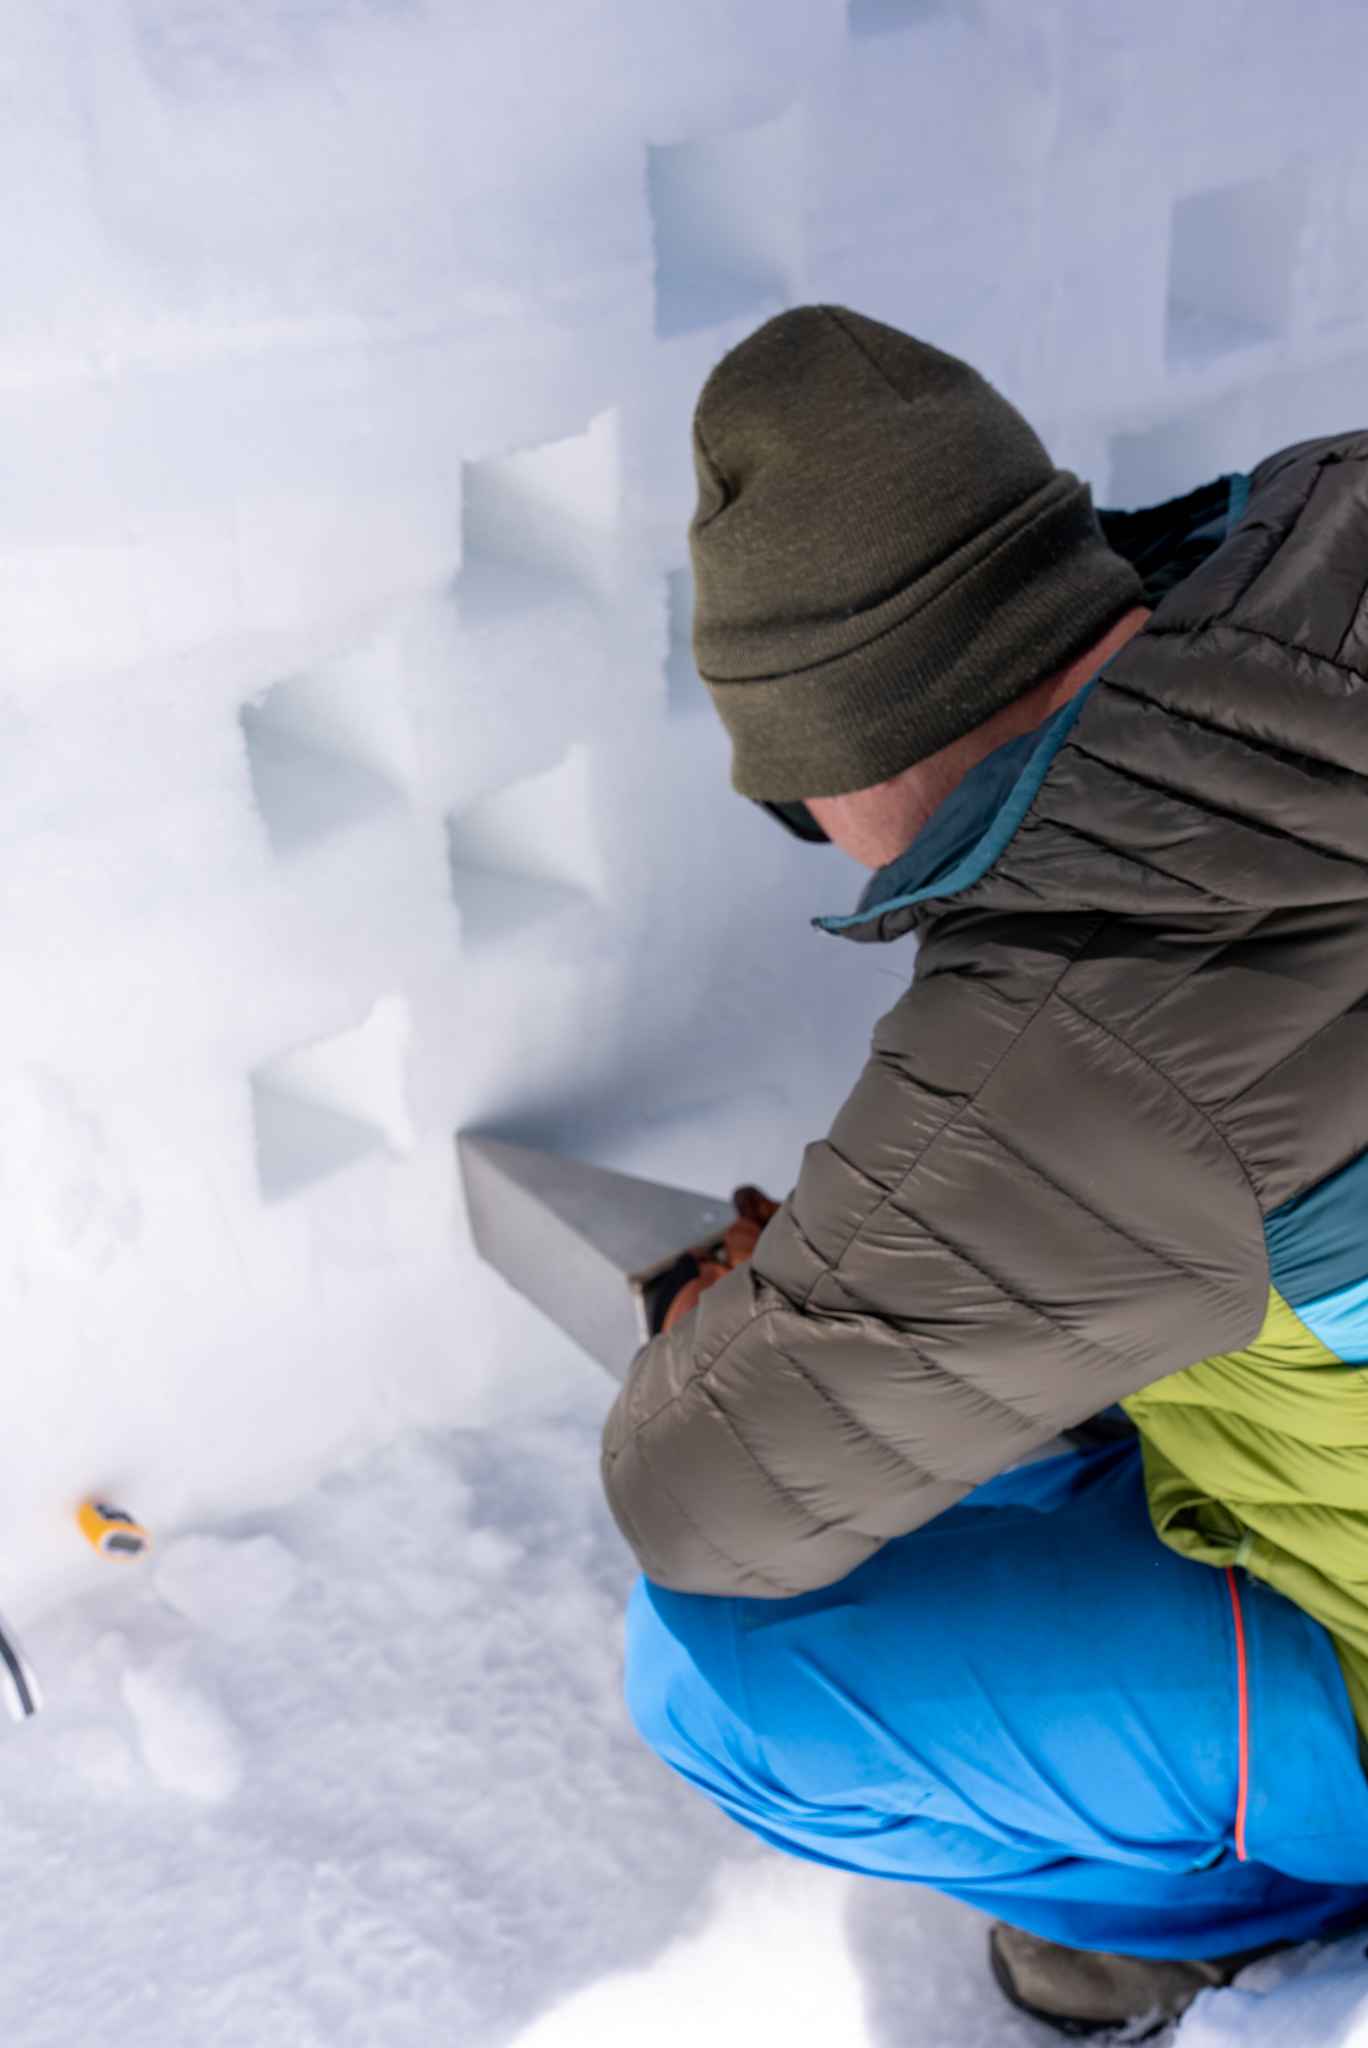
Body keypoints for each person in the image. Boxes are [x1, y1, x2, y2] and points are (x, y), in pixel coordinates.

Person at [598, 304, 1368, 2036]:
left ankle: (1227, 1923)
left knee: (723, 1678)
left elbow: (696, 1496)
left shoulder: (1083, 1043)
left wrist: (742, 1318)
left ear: (840, 771)